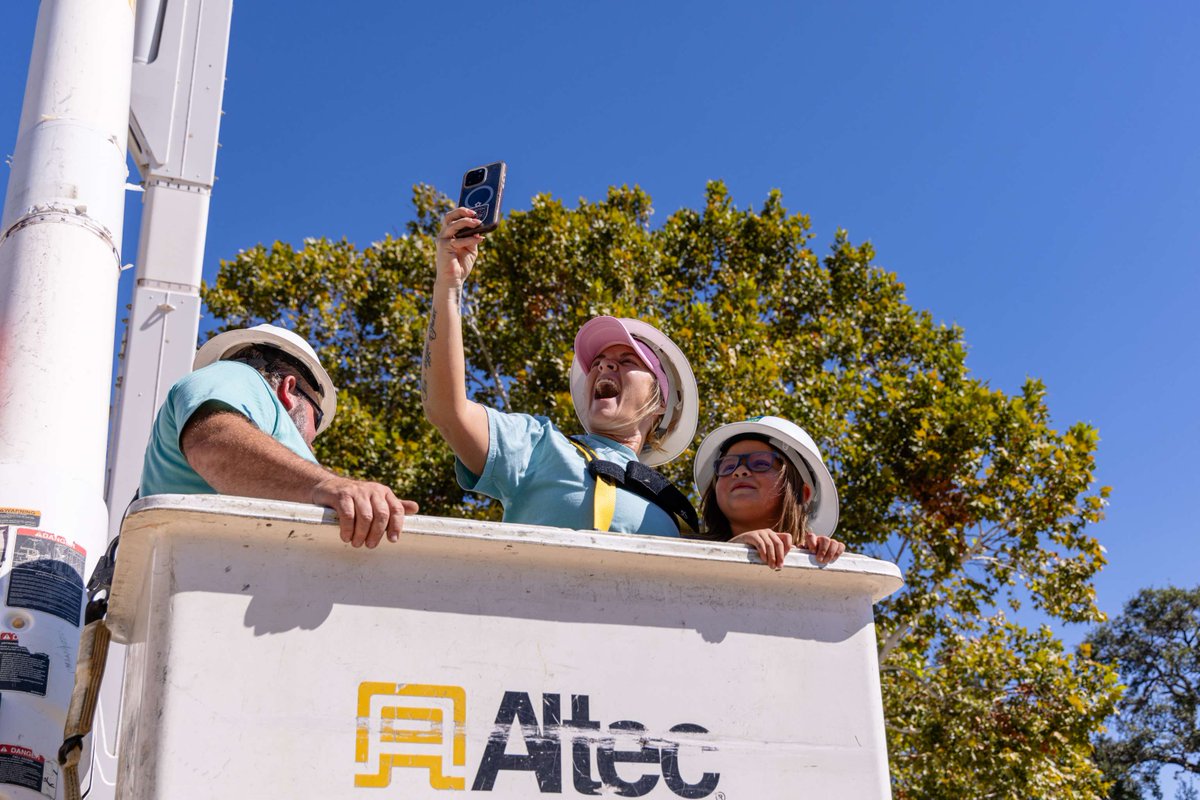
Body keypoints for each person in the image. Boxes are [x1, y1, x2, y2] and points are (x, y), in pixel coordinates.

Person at [422, 207, 699, 536]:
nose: (604, 365)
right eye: (597, 362)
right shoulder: (541, 446)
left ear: (661, 402)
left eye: (628, 362)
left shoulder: (675, 508)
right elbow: (447, 410)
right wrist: (449, 286)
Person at [140, 324, 418, 548]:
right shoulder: (235, 375)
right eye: (316, 419)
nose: (312, 442)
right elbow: (212, 444)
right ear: (288, 389)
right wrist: (327, 484)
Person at [693, 416, 845, 568]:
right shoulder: (679, 542)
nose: (739, 471)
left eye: (760, 463)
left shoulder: (813, 555)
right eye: (727, 467)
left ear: (802, 493)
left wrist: (824, 557)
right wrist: (732, 550)